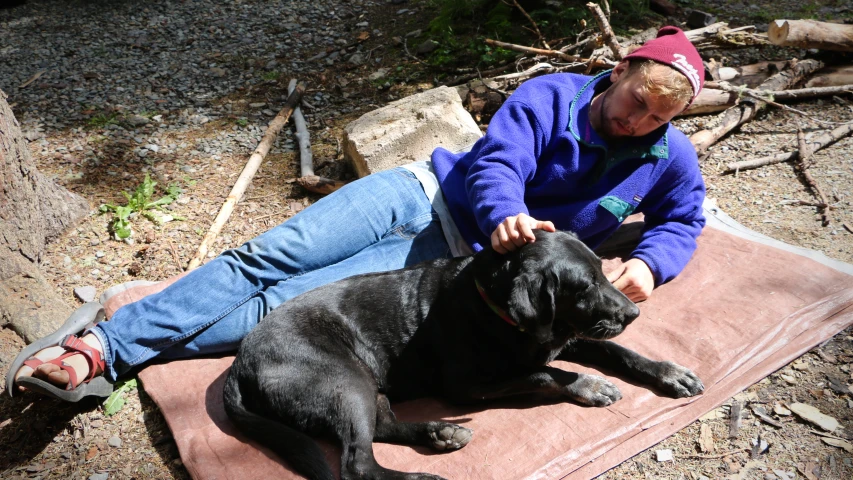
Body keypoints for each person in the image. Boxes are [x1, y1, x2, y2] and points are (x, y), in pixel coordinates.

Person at [9, 26, 706, 400]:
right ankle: (108, 345)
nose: (639, 119)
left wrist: (651, 263)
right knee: (268, 256)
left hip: (446, 263)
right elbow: (497, 163)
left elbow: (682, 219)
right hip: (417, 193)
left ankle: (120, 342)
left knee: (282, 306)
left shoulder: (665, 155)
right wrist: (506, 212)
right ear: (617, 71)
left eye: (658, 115)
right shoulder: (550, 96)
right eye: (635, 100)